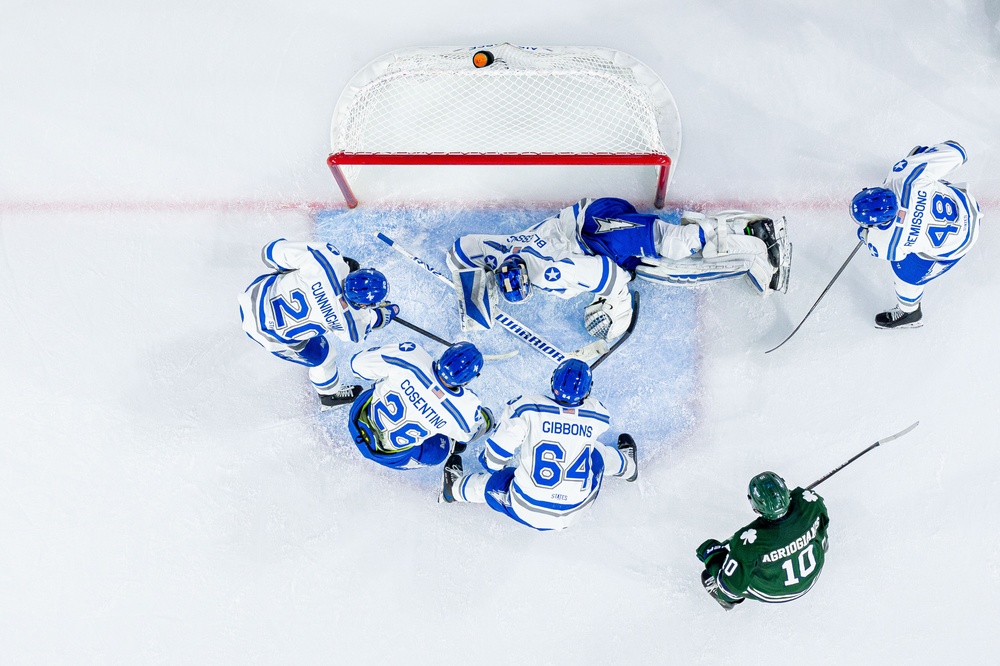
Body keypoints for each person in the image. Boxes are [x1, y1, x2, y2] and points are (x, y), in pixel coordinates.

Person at [445, 198, 789, 340]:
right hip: (589, 233)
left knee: (672, 248)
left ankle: (755, 235)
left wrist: (614, 317)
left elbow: (611, 280)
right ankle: (731, 241)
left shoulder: (551, 276)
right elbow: (460, 250)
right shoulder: (499, 251)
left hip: (596, 226)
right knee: (664, 269)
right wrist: (472, 284)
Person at [439, 358, 638, 531]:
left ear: (553, 382)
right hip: (575, 510)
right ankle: (629, 468)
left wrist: (492, 464)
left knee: (495, 483)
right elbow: (589, 418)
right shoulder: (598, 413)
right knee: (596, 453)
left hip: (526, 507)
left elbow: (494, 461)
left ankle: (452, 490)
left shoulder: (527, 408)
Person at [238, 239, 398, 409]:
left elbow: (269, 252)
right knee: (324, 356)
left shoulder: (322, 259)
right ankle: (330, 396)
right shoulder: (353, 322)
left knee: (292, 268)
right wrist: (390, 312)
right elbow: (374, 321)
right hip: (266, 334)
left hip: (255, 294)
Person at [851, 140, 981, 328]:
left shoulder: (885, 243)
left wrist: (865, 234)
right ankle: (927, 165)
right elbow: (958, 151)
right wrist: (922, 159)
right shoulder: (904, 176)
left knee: (905, 272)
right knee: (925, 173)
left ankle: (909, 312)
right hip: (967, 205)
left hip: (960, 244)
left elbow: (863, 235)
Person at [347, 341, 494, 470]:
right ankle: (450, 445)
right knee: (440, 452)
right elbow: (469, 435)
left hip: (357, 419)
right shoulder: (465, 408)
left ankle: (328, 389)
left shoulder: (411, 355)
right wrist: (487, 418)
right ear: (467, 381)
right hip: (388, 455)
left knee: (383, 382)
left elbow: (356, 365)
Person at [696, 472, 830, 609]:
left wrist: (713, 557)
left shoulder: (748, 543)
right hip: (814, 570)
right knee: (817, 530)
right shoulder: (811, 502)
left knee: (713, 578)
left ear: (755, 507)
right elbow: (822, 524)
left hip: (776, 591)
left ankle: (726, 602)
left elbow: (730, 587)